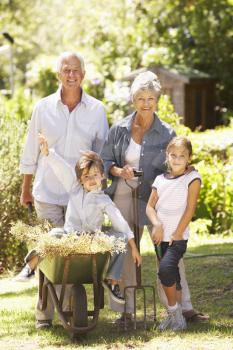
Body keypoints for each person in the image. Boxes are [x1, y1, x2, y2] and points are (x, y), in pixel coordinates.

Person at [101, 70, 208, 325]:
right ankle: (126, 311)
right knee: (126, 250)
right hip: (125, 192)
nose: (146, 103)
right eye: (140, 98)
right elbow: (105, 160)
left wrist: (189, 169)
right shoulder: (119, 129)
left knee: (168, 248)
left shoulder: (166, 132)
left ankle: (183, 308)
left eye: (150, 98)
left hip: (157, 198)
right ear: (133, 100)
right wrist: (118, 170)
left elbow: (177, 161)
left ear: (157, 100)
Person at [17, 51, 109, 328]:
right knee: (50, 257)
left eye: (76, 70)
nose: (71, 75)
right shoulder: (43, 108)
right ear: (59, 74)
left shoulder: (96, 110)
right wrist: (26, 188)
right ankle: (44, 315)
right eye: (66, 70)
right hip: (47, 193)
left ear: (83, 73)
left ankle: (70, 310)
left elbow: (102, 154)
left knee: (73, 258)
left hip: (80, 197)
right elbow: (31, 151)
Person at [34, 136, 141, 305]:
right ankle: (35, 257)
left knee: (119, 238)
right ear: (80, 180)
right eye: (86, 176)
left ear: (102, 175)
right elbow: (63, 169)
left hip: (92, 239)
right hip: (70, 236)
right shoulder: (75, 188)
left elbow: (119, 221)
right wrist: (48, 153)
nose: (91, 180)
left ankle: (112, 282)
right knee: (54, 233)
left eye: (95, 175)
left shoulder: (103, 200)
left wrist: (133, 246)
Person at [146, 136, 201, 331]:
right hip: (159, 237)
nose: (177, 159)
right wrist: (156, 224)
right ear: (167, 156)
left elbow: (190, 209)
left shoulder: (192, 178)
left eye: (182, 156)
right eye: (173, 155)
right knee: (172, 277)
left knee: (166, 270)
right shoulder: (160, 180)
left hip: (177, 238)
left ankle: (176, 315)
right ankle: (175, 316)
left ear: (189, 158)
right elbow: (150, 207)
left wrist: (177, 233)